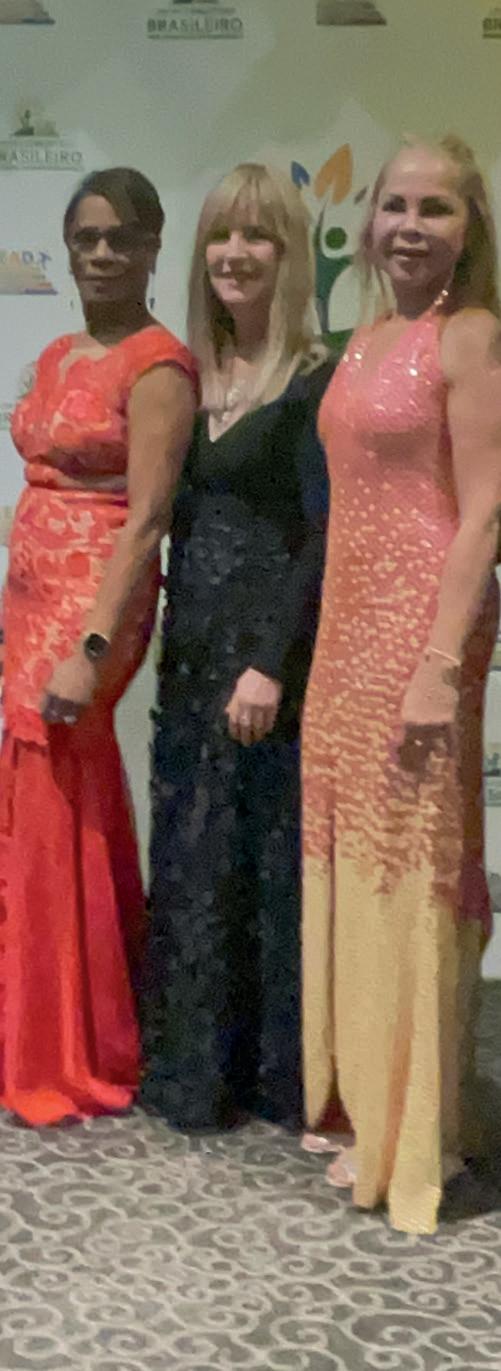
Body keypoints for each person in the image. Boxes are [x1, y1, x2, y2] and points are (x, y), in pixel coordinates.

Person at [301, 134, 501, 1234]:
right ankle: (374, 1111)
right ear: (367, 221)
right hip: (348, 628)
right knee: (362, 866)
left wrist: (438, 663)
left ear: (470, 230)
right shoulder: (368, 335)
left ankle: (418, 1134)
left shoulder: (470, 337)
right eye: (394, 206)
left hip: (420, 631)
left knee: (411, 870)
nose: (410, 227)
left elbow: (485, 512)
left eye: (436, 209)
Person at [0, 167, 197, 1125]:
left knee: (57, 790)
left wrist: (89, 644)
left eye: (121, 238)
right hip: (29, 598)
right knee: (39, 798)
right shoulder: (54, 354)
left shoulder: (159, 364)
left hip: (93, 605)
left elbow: (149, 517)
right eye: (87, 238)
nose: (103, 254)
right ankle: (39, 1022)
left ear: (153, 247)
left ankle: (72, 1046)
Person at [140, 163, 334, 1131]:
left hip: (263, 660)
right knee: (192, 854)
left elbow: (319, 539)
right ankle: (192, 1070)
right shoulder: (188, 373)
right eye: (221, 233)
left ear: (289, 252)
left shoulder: (316, 378)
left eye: (257, 234)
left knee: (259, 860)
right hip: (190, 651)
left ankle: (267, 1076)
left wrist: (269, 664)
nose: (234, 252)